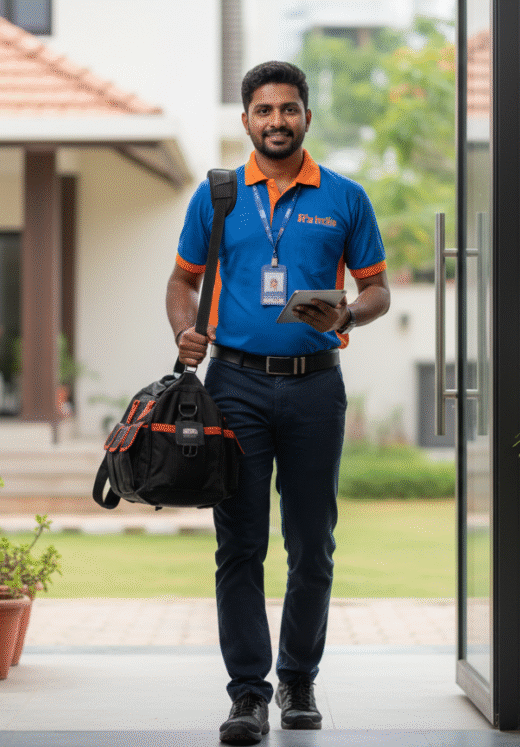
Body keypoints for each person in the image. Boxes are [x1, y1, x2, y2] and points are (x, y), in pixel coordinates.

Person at [165, 60, 390, 745]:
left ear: (307, 117)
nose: (276, 121)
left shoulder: (345, 197)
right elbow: (181, 280)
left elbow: (379, 289)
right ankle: (246, 694)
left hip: (317, 384)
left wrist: (349, 314)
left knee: (311, 542)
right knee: (239, 542)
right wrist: (184, 329)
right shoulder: (218, 195)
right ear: (246, 121)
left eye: (288, 109)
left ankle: (297, 678)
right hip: (234, 386)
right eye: (263, 111)